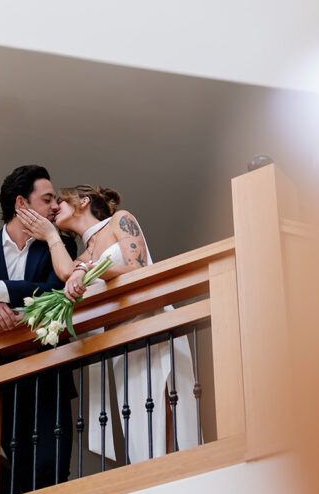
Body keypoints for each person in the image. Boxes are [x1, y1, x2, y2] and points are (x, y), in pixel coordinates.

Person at [16, 184, 200, 463]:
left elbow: (138, 271)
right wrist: (52, 235)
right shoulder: (81, 257)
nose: (54, 209)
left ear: (82, 202)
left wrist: (92, 270)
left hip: (152, 326)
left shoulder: (120, 221)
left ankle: (181, 472)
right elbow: (67, 273)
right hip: (122, 345)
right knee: (139, 426)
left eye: (60, 203)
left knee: (168, 410)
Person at [0, 164, 77, 491]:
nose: (55, 206)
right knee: (16, 477)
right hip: (1, 385)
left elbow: (54, 291)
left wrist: (0, 289)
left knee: (52, 471)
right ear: (22, 204)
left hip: (49, 377)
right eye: (47, 198)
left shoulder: (59, 246)